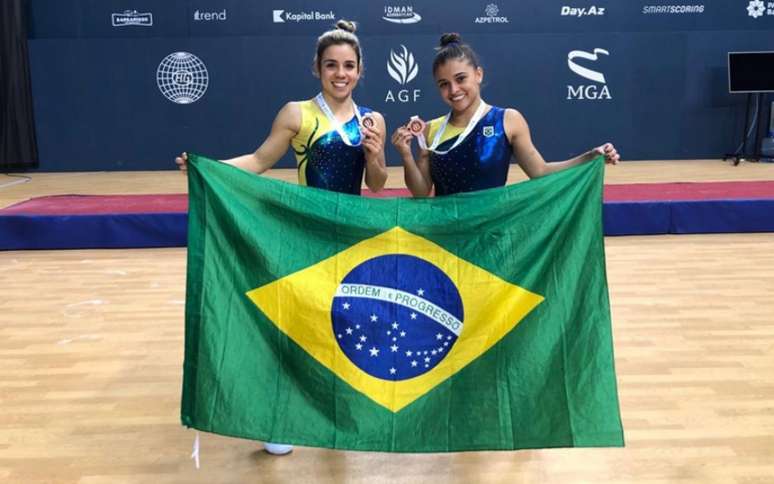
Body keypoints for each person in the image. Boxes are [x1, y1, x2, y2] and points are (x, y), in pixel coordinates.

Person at [175, 20, 388, 455]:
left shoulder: (372, 119)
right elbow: (258, 161)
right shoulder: (297, 113)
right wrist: (207, 166)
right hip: (305, 232)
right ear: (317, 68)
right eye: (332, 65)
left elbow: (379, 183)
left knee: (344, 323)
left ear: (361, 70)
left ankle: (342, 407)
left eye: (349, 66)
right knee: (295, 324)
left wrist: (377, 153)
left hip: (352, 236)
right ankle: (280, 416)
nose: (340, 73)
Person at [391, 33, 619, 197]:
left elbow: (541, 172)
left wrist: (590, 157)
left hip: (491, 233)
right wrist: (407, 155)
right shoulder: (430, 130)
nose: (454, 90)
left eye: (461, 79)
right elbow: (421, 193)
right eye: (444, 84)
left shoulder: (508, 120)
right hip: (446, 236)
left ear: (478, 74)